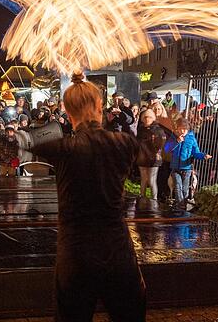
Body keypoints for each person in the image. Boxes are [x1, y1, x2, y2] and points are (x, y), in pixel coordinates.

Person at [30, 73, 152, 321]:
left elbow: (22, 142)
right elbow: (149, 154)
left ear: (66, 110)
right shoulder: (124, 143)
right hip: (117, 249)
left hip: (76, 253)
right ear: (100, 106)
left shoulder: (64, 148)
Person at [166, 118, 211, 208]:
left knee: (185, 188)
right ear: (177, 128)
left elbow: (195, 152)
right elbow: (167, 149)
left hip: (187, 168)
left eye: (184, 129)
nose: (182, 131)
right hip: (175, 167)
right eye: (180, 128)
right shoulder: (173, 137)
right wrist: (176, 142)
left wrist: (203, 156)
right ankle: (181, 205)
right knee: (178, 187)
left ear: (188, 129)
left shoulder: (191, 139)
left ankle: (184, 203)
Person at [136, 109, 167, 205]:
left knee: (151, 180)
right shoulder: (141, 129)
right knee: (143, 179)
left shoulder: (158, 129)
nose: (147, 119)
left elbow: (161, 142)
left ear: (153, 118)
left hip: (153, 158)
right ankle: (142, 197)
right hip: (142, 158)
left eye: (149, 117)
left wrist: (156, 151)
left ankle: (154, 200)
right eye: (145, 117)